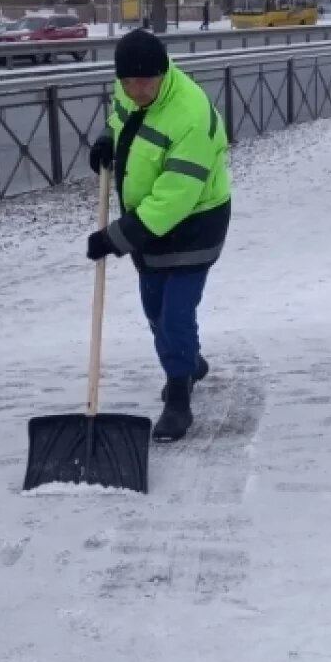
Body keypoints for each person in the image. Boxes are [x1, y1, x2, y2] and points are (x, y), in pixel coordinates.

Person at [85, 29, 233, 443]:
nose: (136, 91)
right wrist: (107, 138)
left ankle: (179, 398)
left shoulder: (190, 116)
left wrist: (116, 237)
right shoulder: (129, 86)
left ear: (163, 72)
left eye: (146, 82)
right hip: (149, 224)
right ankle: (189, 363)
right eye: (129, 83)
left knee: (174, 313)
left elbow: (175, 198)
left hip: (195, 223)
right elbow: (120, 115)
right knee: (155, 308)